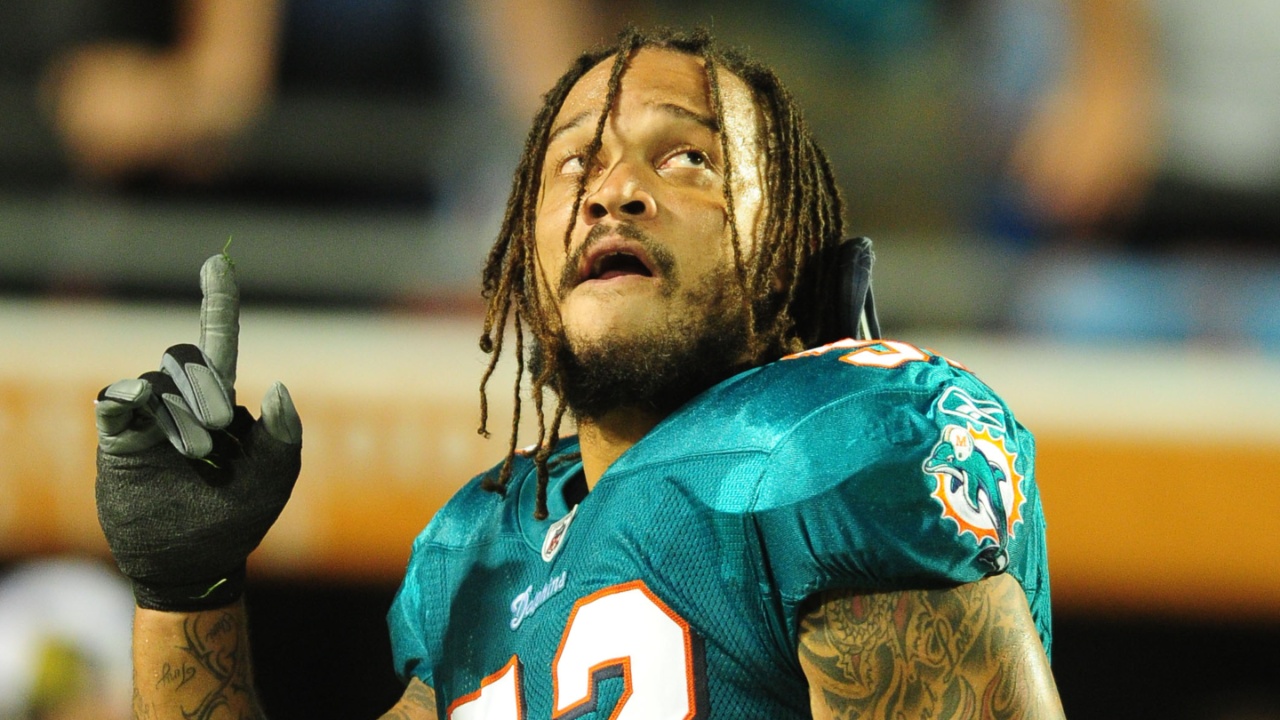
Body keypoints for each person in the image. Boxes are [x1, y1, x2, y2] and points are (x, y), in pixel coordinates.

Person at [92, 27, 1063, 718]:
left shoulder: (836, 451)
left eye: (684, 157)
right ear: (520, 259)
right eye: (569, 166)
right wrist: (189, 598)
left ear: (784, 245)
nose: (612, 192)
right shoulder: (479, 552)